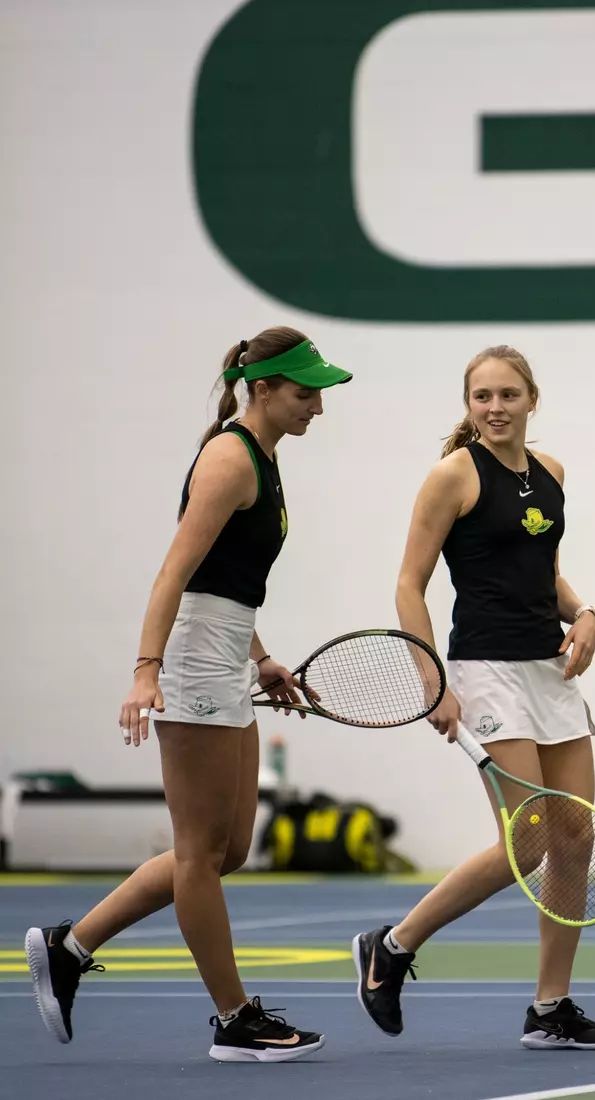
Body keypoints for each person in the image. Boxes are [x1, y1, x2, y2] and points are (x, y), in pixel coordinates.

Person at [25, 326, 352, 1061]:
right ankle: (235, 1020)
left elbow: (227, 581)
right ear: (262, 389)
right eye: (305, 393)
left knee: (227, 848)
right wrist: (147, 670)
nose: (317, 408)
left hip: (226, 651)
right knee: (199, 853)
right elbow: (174, 574)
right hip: (196, 660)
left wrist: (260, 656)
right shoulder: (229, 460)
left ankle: (69, 947)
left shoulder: (262, 456)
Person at [352, 345, 595, 1050]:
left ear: (532, 399)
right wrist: (431, 679)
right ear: (468, 404)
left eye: (508, 394)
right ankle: (393, 944)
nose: (495, 407)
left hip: (549, 671)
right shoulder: (452, 476)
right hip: (484, 671)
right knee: (529, 840)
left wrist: (585, 613)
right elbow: (407, 585)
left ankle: (550, 1009)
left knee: (574, 838)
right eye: (482, 396)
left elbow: (544, 572)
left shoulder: (551, 473)